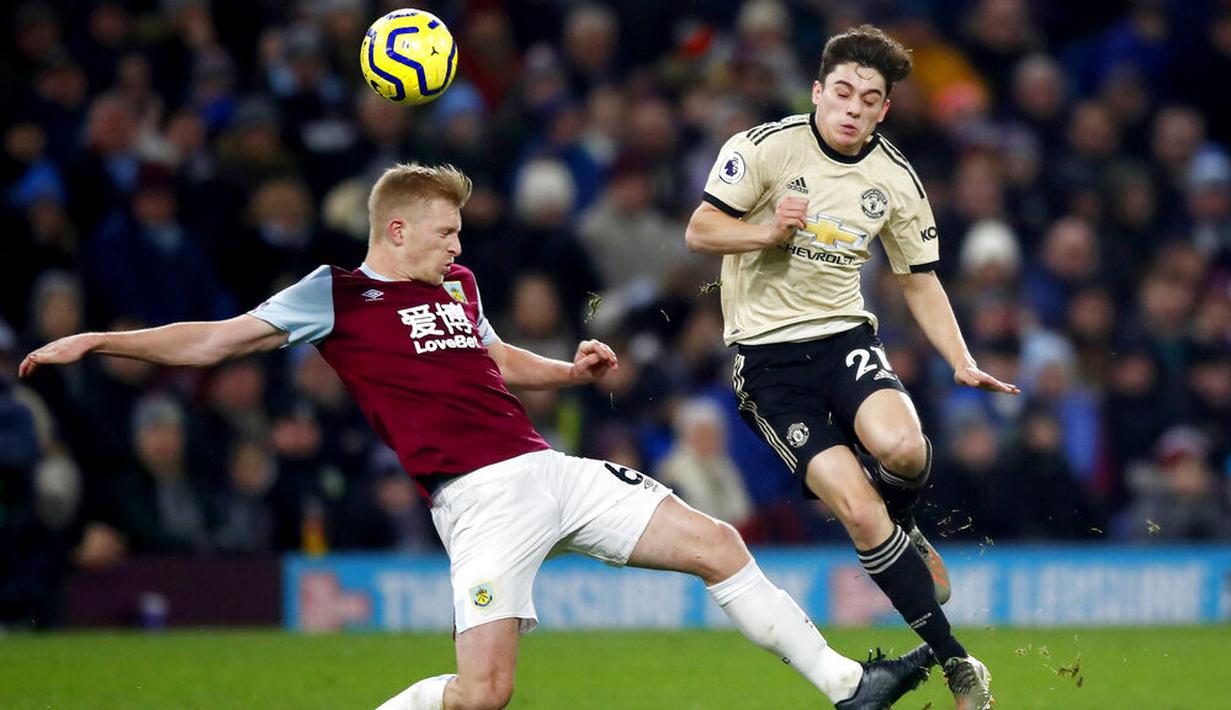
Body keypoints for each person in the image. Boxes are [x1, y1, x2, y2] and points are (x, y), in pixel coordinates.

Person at [22, 163, 932, 709]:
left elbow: (492, 357)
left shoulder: (456, 288)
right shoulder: (335, 293)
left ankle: (845, 686)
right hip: (479, 500)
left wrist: (567, 372)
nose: (458, 248)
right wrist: (101, 340)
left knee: (717, 543)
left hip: (547, 470)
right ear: (396, 229)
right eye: (445, 233)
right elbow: (216, 341)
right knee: (484, 694)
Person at [684, 25, 1020, 710]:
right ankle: (958, 664)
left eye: (869, 100)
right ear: (816, 91)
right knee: (862, 516)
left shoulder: (894, 178)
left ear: (884, 109)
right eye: (842, 92)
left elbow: (919, 278)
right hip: (768, 363)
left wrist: (960, 360)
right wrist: (768, 231)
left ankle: (906, 524)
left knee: (905, 449)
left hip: (843, 339)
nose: (852, 108)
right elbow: (700, 230)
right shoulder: (763, 148)